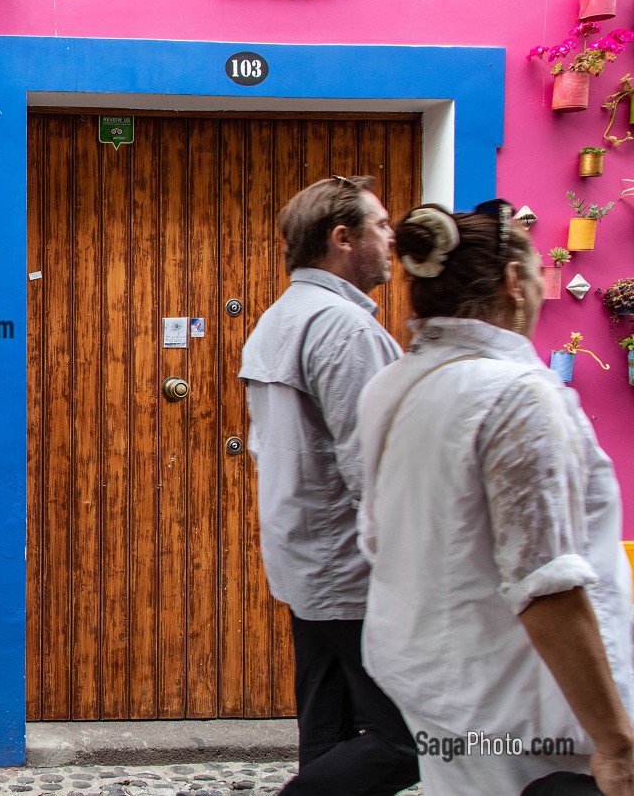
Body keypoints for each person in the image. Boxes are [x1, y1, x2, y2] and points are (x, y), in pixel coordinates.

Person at [357, 200, 634, 796]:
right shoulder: (517, 396)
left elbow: (378, 536)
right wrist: (615, 740)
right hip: (528, 712)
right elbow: (546, 584)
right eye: (536, 275)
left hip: (440, 688)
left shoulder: (394, 384)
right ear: (513, 283)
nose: (537, 290)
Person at [239, 175, 420, 795]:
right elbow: (376, 467)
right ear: (342, 239)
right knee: (409, 742)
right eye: (379, 225)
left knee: (328, 733)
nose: (392, 236)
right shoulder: (345, 329)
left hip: (308, 563)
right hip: (355, 572)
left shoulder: (281, 318)